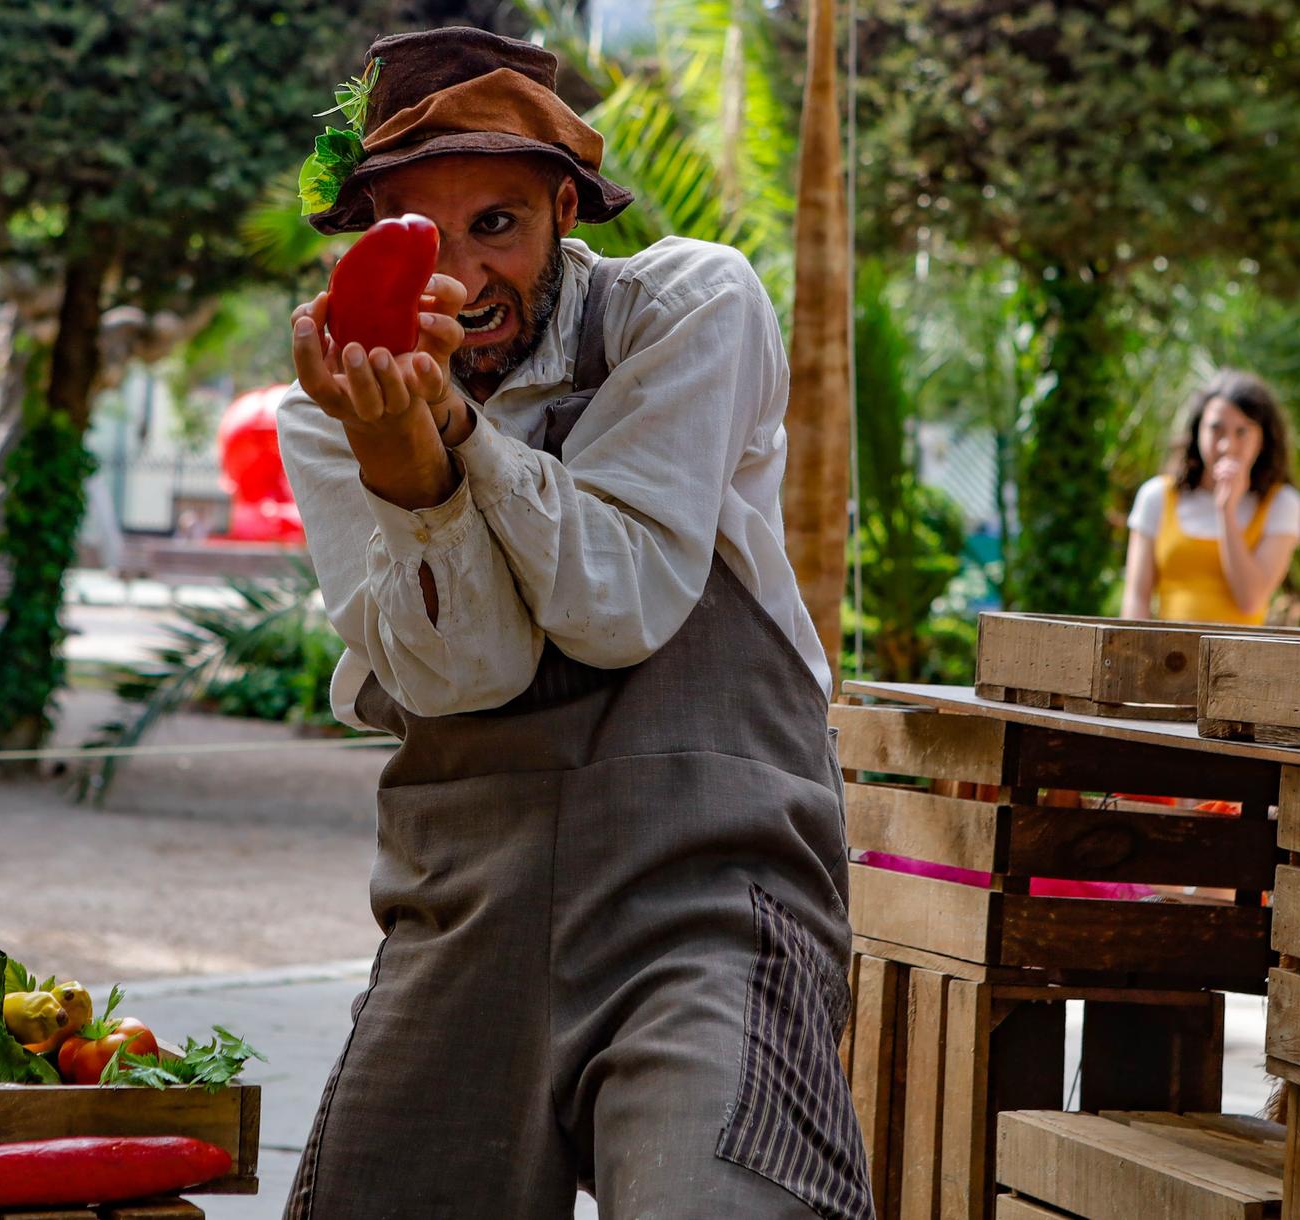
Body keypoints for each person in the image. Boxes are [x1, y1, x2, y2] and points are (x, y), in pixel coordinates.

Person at [275, 27, 871, 1220]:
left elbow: (624, 602)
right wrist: (408, 475)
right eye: (417, 238)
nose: (459, 277)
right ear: (362, 243)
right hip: (463, 906)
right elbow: (467, 672)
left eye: (496, 223)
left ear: (561, 209)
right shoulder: (328, 410)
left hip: (703, 894)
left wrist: (457, 440)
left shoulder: (686, 308)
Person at [1122, 370, 1300, 624]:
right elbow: (1136, 597)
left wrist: (1226, 512)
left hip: (1240, 660)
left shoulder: (1283, 503)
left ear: (1263, 440)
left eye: (1242, 432)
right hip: (1169, 658)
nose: (1226, 445)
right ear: (1197, 432)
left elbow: (1250, 599)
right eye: (1216, 430)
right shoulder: (1157, 496)